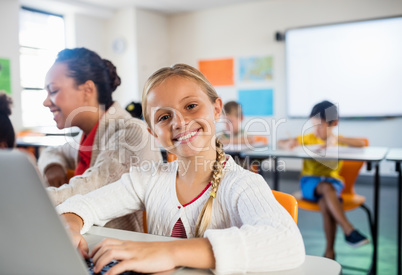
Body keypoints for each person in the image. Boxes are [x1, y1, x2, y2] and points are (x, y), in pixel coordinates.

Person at [56, 64, 305, 274]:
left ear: (216, 109)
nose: (180, 122)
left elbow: (286, 242)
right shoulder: (147, 179)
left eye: (190, 106)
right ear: (153, 133)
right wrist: (71, 223)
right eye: (164, 117)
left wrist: (169, 253)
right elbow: (87, 204)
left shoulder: (242, 184)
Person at [38, 47, 162, 232]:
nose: (46, 102)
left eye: (53, 91)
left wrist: (26, 198)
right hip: (88, 240)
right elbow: (52, 152)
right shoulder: (88, 135)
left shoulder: (131, 133)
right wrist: (52, 165)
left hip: (121, 247)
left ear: (87, 90)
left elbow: (87, 192)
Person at [278, 100, 369, 260]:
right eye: (314, 125)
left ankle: (329, 253)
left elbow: (361, 144)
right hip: (309, 183)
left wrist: (336, 140)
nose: (316, 130)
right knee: (327, 189)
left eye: (320, 126)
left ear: (334, 123)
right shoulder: (309, 139)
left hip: (333, 183)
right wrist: (289, 145)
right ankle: (348, 230)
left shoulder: (337, 140)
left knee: (326, 204)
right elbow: (280, 142)